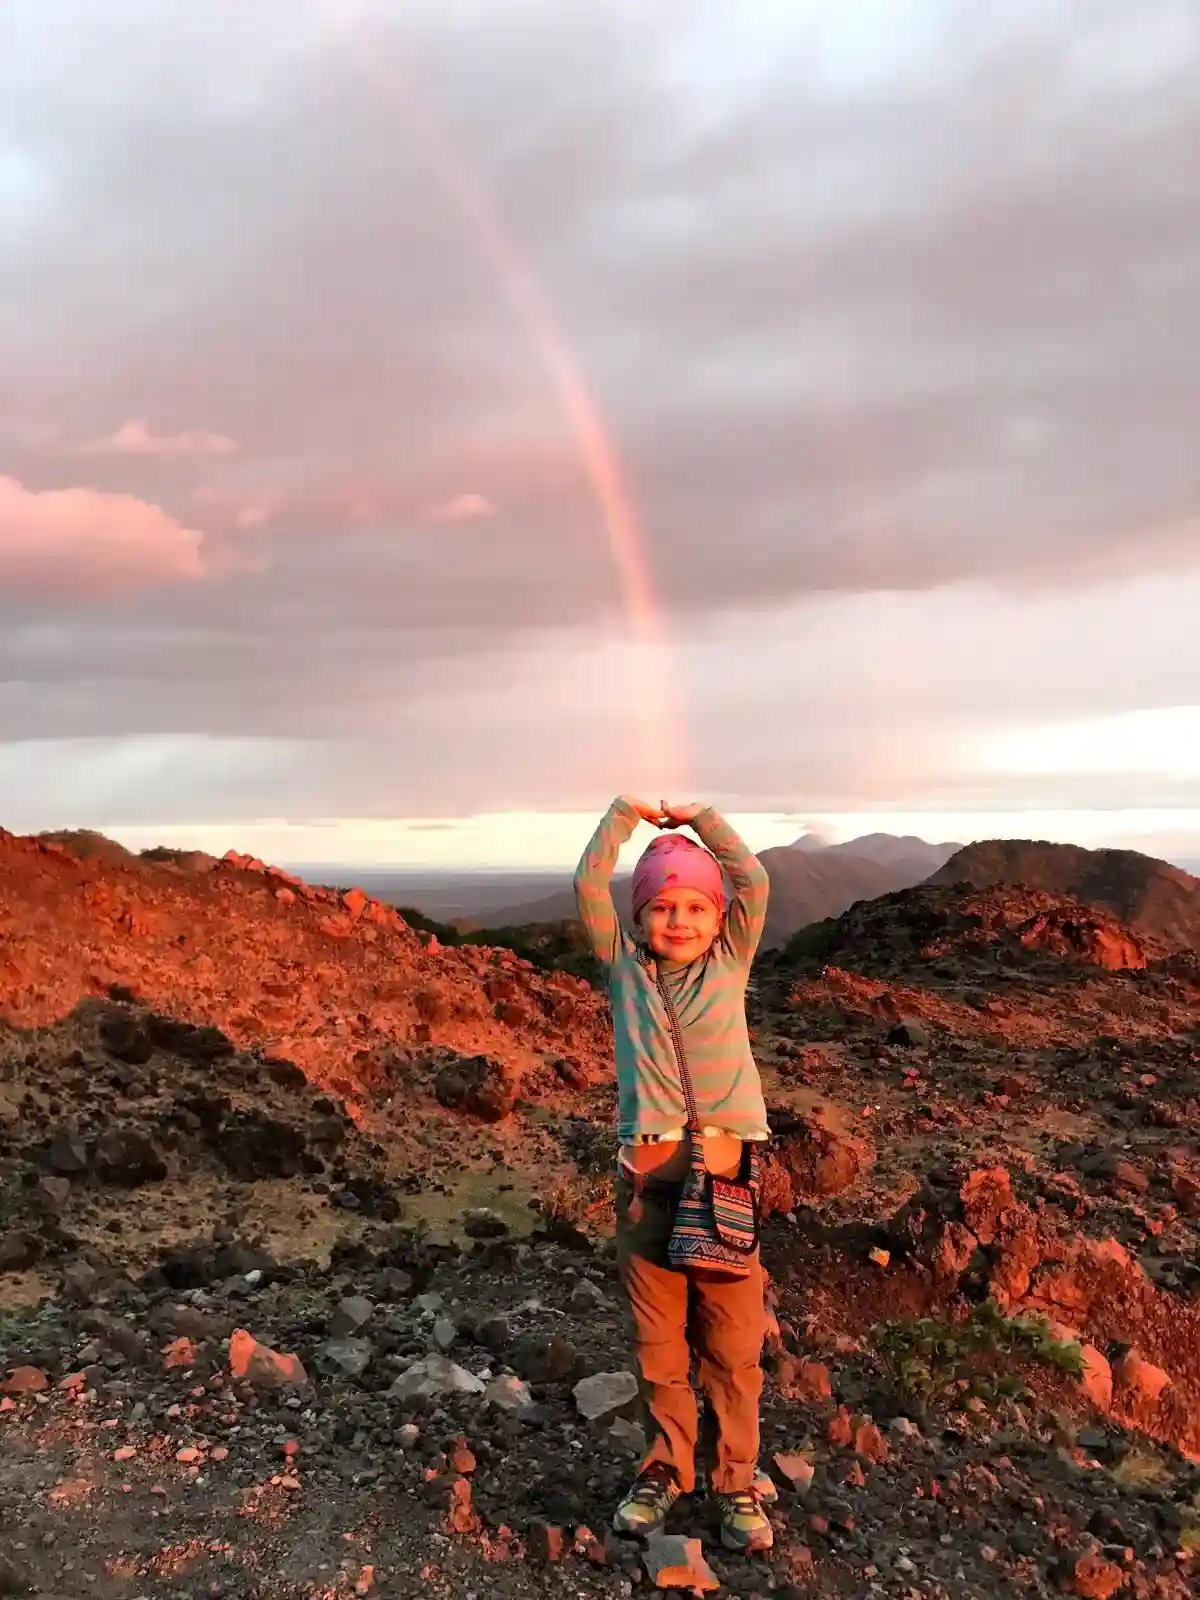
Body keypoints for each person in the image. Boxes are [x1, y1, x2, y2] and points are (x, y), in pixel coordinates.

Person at [573, 795, 774, 1552]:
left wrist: (701, 823)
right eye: (661, 907)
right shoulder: (626, 971)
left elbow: (752, 880)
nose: (679, 920)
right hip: (646, 1198)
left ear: (718, 919)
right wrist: (625, 816)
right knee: (659, 1350)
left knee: (731, 1349)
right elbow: (589, 884)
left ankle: (738, 1480)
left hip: (725, 1197)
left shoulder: (730, 963)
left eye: (695, 905)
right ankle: (663, 1469)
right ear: (639, 918)